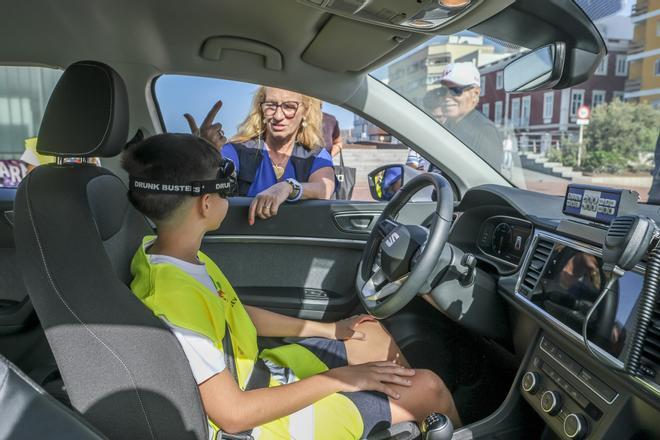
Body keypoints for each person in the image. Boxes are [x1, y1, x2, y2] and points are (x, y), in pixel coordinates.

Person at [122, 133, 460, 440]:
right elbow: (234, 415)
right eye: (226, 187)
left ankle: (395, 404)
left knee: (364, 332)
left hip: (261, 370)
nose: (233, 192)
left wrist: (329, 329)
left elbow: (235, 313)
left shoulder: (172, 255)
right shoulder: (173, 299)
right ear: (205, 203)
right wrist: (344, 379)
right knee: (429, 389)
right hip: (261, 424)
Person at [185, 88, 336, 225]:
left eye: (289, 106)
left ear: (305, 111)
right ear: (261, 108)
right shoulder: (239, 149)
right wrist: (205, 152)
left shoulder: (315, 155)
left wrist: (288, 187)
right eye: (271, 105)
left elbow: (324, 188)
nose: (277, 116)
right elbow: (218, 171)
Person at [423, 62, 503, 170]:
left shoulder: (484, 131)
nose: (447, 97)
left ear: (475, 94)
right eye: (443, 91)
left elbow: (486, 180)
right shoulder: (449, 125)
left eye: (456, 90)